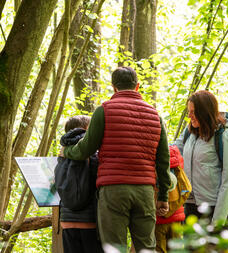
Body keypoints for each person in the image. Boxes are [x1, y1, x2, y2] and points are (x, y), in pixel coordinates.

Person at [60, 66, 171, 252]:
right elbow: (163, 160)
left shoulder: (104, 111)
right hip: (144, 190)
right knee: (147, 248)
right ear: (137, 86)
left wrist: (67, 151)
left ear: (113, 87)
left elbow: (85, 149)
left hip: (113, 191)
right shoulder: (155, 116)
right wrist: (163, 196)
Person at [173, 90, 228, 225]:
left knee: (212, 247)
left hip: (213, 208)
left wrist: (218, 221)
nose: (190, 116)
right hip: (190, 205)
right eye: (189, 112)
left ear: (205, 111)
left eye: (193, 112)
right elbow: (172, 150)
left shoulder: (226, 137)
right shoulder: (190, 133)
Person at [55, 115, 103, 253]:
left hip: (67, 221)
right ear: (87, 129)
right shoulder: (93, 152)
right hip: (90, 221)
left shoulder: (62, 153)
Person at [155, 145, 191, 253]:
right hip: (175, 220)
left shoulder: (153, 166)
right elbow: (187, 189)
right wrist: (172, 208)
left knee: (159, 249)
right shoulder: (177, 167)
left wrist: (158, 209)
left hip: (158, 220)